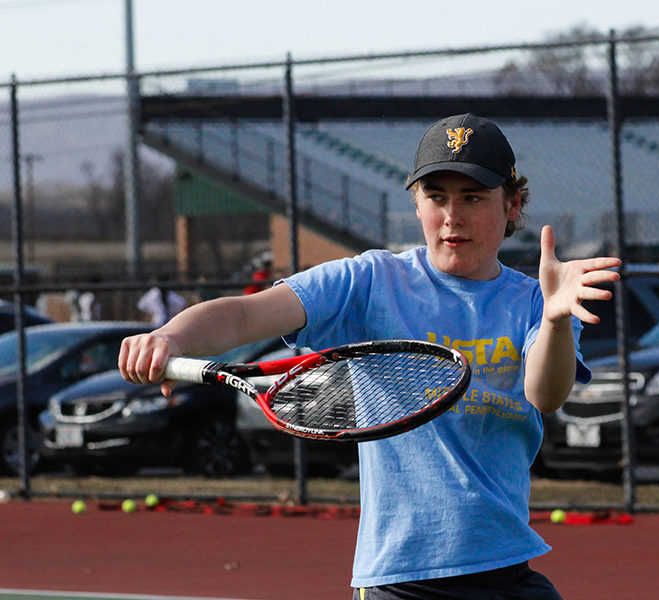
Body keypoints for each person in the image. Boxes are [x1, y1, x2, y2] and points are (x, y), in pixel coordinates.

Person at [118, 113, 621, 599]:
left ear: (512, 206)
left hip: (506, 567)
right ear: (417, 203)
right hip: (400, 578)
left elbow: (545, 393)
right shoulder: (372, 280)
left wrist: (555, 319)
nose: (452, 216)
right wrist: (172, 337)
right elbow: (247, 316)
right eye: (436, 196)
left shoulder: (540, 298)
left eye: (473, 197)